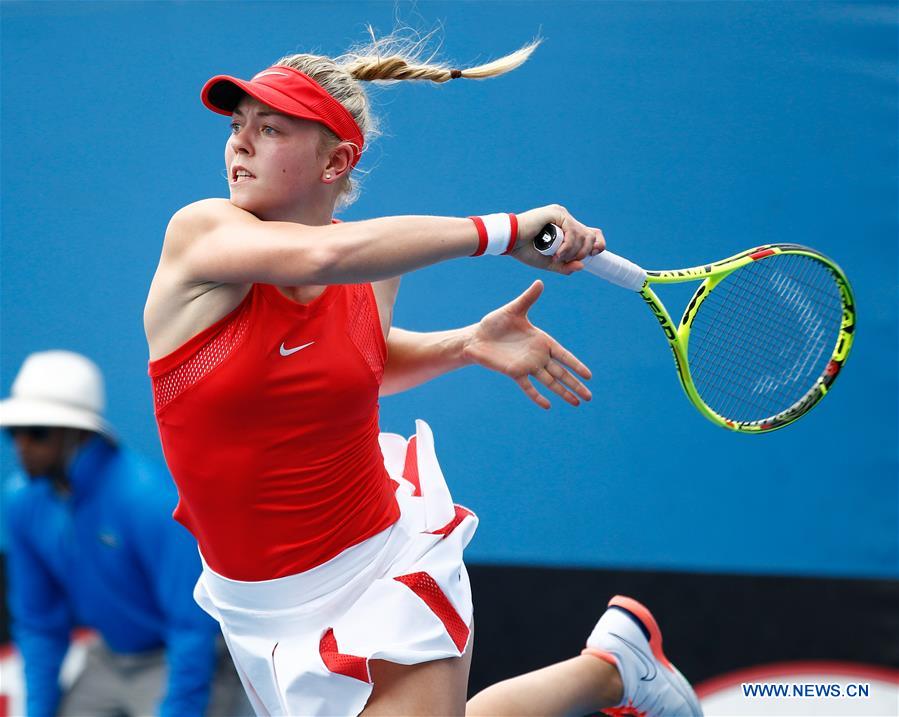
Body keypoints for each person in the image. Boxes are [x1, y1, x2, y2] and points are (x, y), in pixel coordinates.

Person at [143, 33, 703, 717]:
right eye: (237, 126)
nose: (239, 143)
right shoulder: (200, 236)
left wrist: (465, 343)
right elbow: (324, 255)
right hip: (255, 601)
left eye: (270, 128)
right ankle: (612, 667)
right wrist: (504, 230)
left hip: (375, 561)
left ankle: (614, 666)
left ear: (336, 161)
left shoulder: (372, 271)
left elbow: (351, 372)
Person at [0, 350, 251, 716]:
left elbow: (192, 627)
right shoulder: (22, 500)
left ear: (77, 434)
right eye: (14, 432)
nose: (22, 446)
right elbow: (38, 623)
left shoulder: (149, 499)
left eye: (37, 432)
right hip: (109, 657)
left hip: (181, 658)